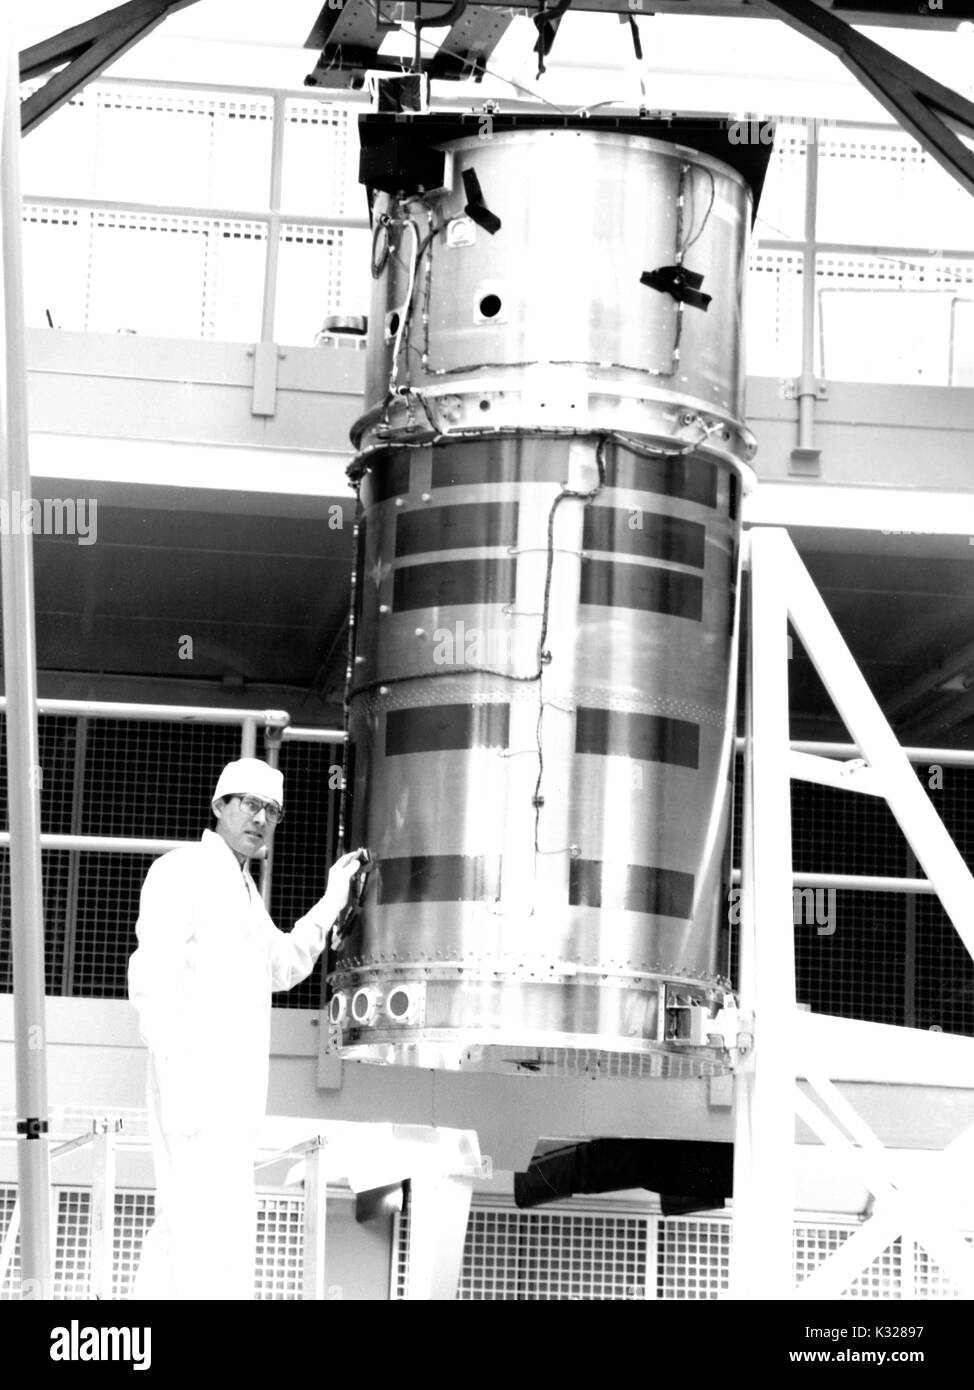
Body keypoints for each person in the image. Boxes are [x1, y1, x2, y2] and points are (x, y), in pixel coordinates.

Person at [127, 757, 365, 1300]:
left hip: (230, 1095)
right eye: (252, 805)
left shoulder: (244, 892)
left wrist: (331, 900)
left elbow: (283, 963)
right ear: (220, 807)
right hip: (194, 1083)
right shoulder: (180, 871)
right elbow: (151, 978)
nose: (261, 819)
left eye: (273, 811)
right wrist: (178, 1076)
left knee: (211, 1227)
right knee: (193, 1224)